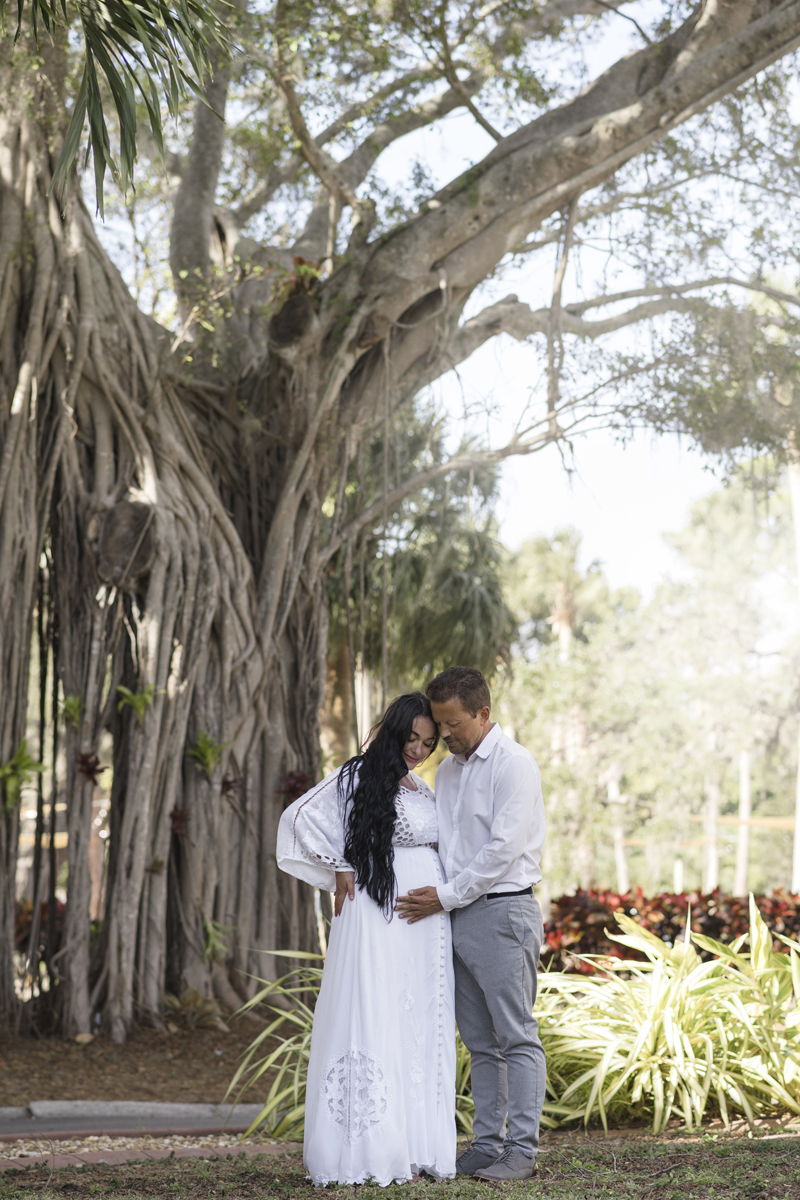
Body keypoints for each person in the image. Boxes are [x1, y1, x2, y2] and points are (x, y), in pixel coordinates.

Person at [276, 692, 456, 1187]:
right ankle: (369, 1149)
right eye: (411, 738)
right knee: (375, 1011)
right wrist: (338, 866)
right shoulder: (356, 775)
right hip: (378, 912)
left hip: (425, 923)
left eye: (427, 741)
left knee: (418, 1019)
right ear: (393, 731)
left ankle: (416, 1144)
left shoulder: (420, 786)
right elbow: (297, 819)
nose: (418, 749)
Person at [395, 666, 546, 1182]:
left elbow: (502, 850)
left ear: (483, 713)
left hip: (503, 912)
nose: (445, 735)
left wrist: (444, 896)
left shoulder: (513, 764)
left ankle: (521, 1152)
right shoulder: (450, 771)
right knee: (480, 1042)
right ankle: (486, 1145)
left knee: (516, 1036)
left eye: (453, 723)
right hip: (455, 917)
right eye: (440, 724)